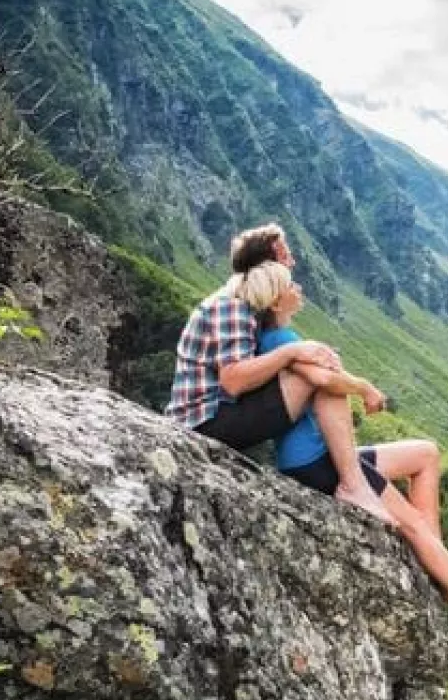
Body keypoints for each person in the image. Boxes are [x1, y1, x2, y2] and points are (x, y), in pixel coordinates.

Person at [239, 260, 448, 635]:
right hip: (316, 463)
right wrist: (363, 387)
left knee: (425, 453)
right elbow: (324, 381)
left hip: (323, 454)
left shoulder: (278, 337)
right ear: (276, 302)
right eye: (291, 285)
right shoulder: (282, 341)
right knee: (414, 525)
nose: (300, 289)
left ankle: (434, 554)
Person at [164, 224, 393, 524]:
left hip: (217, 415)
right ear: (268, 266)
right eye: (286, 255)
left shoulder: (247, 306)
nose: (293, 263)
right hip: (204, 422)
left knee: (314, 373)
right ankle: (352, 484)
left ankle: (349, 478)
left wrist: (287, 325)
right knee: (314, 378)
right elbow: (232, 380)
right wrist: (294, 352)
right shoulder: (232, 306)